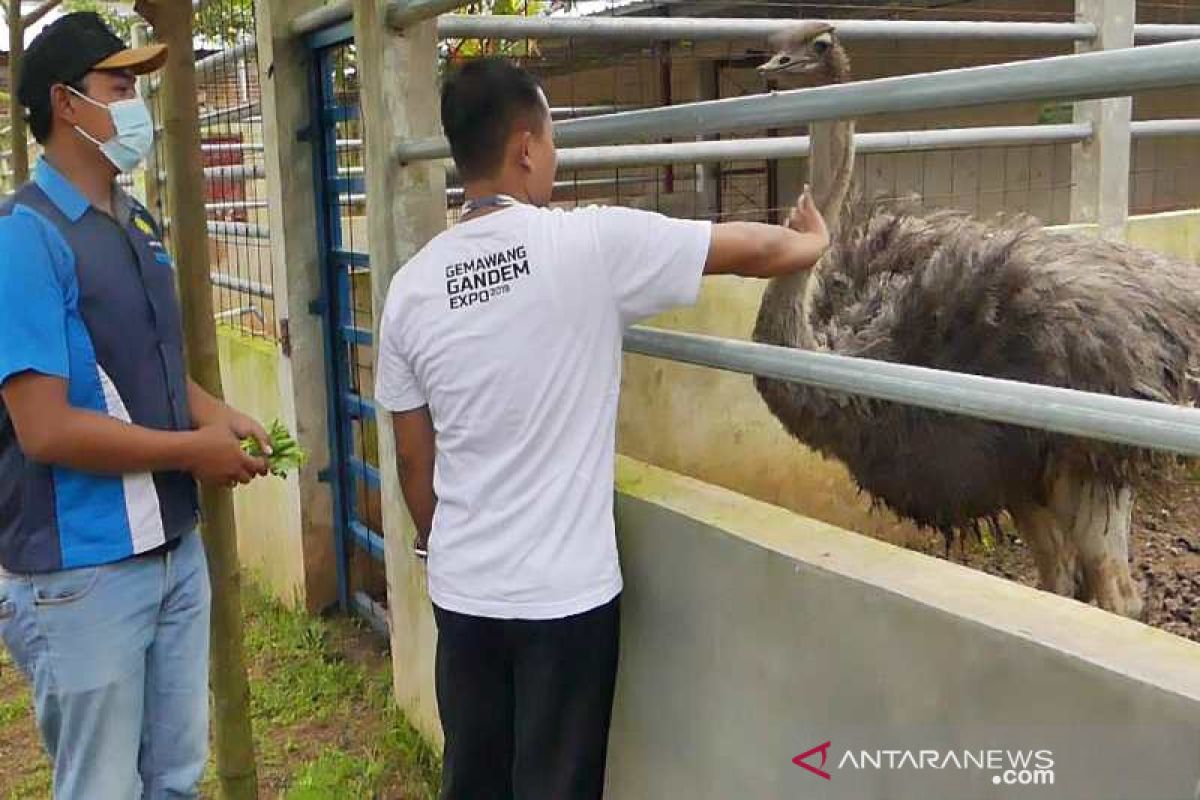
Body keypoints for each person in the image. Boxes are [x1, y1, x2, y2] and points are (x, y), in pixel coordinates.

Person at [375, 56, 829, 800]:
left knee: (475, 779)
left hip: (465, 592)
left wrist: (448, 540)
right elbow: (750, 249)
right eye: (551, 141)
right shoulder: (586, 246)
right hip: (565, 598)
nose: (552, 157)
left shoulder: (412, 288)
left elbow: (411, 457)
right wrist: (811, 241)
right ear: (526, 148)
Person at [0, 13, 270, 799]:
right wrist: (194, 452)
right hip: (82, 574)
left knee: (174, 781)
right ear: (66, 104)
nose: (135, 105)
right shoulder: (24, 240)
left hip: (172, 553)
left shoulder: (134, 224)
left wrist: (215, 413)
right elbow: (43, 427)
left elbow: (146, 370)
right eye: (120, 87)